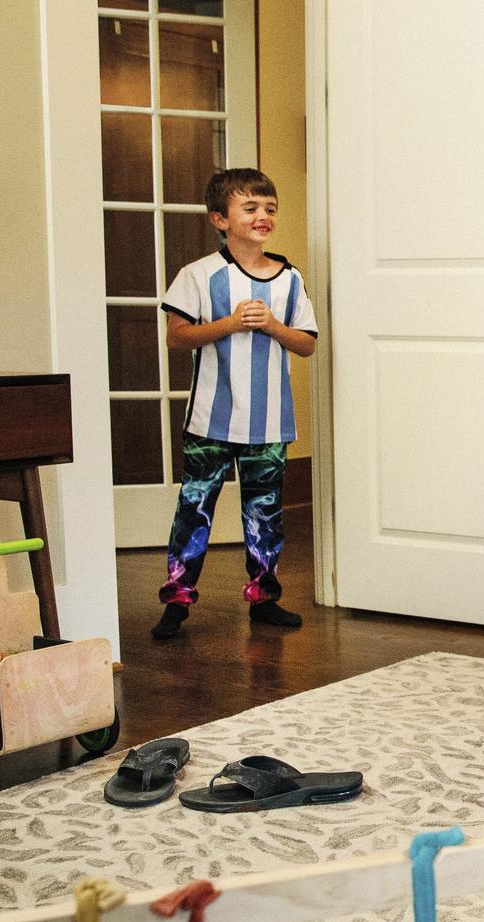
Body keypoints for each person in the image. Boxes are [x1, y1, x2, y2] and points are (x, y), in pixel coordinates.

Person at [152, 168, 319, 641]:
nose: (263, 216)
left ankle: (265, 598)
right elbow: (177, 337)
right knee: (194, 509)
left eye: (270, 208)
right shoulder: (199, 275)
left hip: (269, 424)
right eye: (250, 208)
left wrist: (270, 325)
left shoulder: (290, 279)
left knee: (265, 512)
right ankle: (177, 601)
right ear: (219, 219)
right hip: (210, 420)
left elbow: (306, 344)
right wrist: (228, 323)